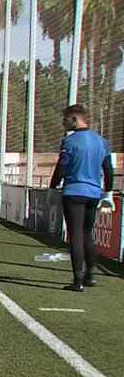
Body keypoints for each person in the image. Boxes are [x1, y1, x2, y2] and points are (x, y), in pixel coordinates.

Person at [49, 104, 115, 292]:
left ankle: (77, 280)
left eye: (65, 120)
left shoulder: (70, 141)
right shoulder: (102, 142)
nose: (63, 123)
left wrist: (52, 188)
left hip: (74, 192)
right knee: (87, 234)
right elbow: (108, 169)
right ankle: (90, 275)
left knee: (76, 235)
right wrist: (109, 192)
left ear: (74, 119)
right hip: (93, 194)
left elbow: (61, 168)